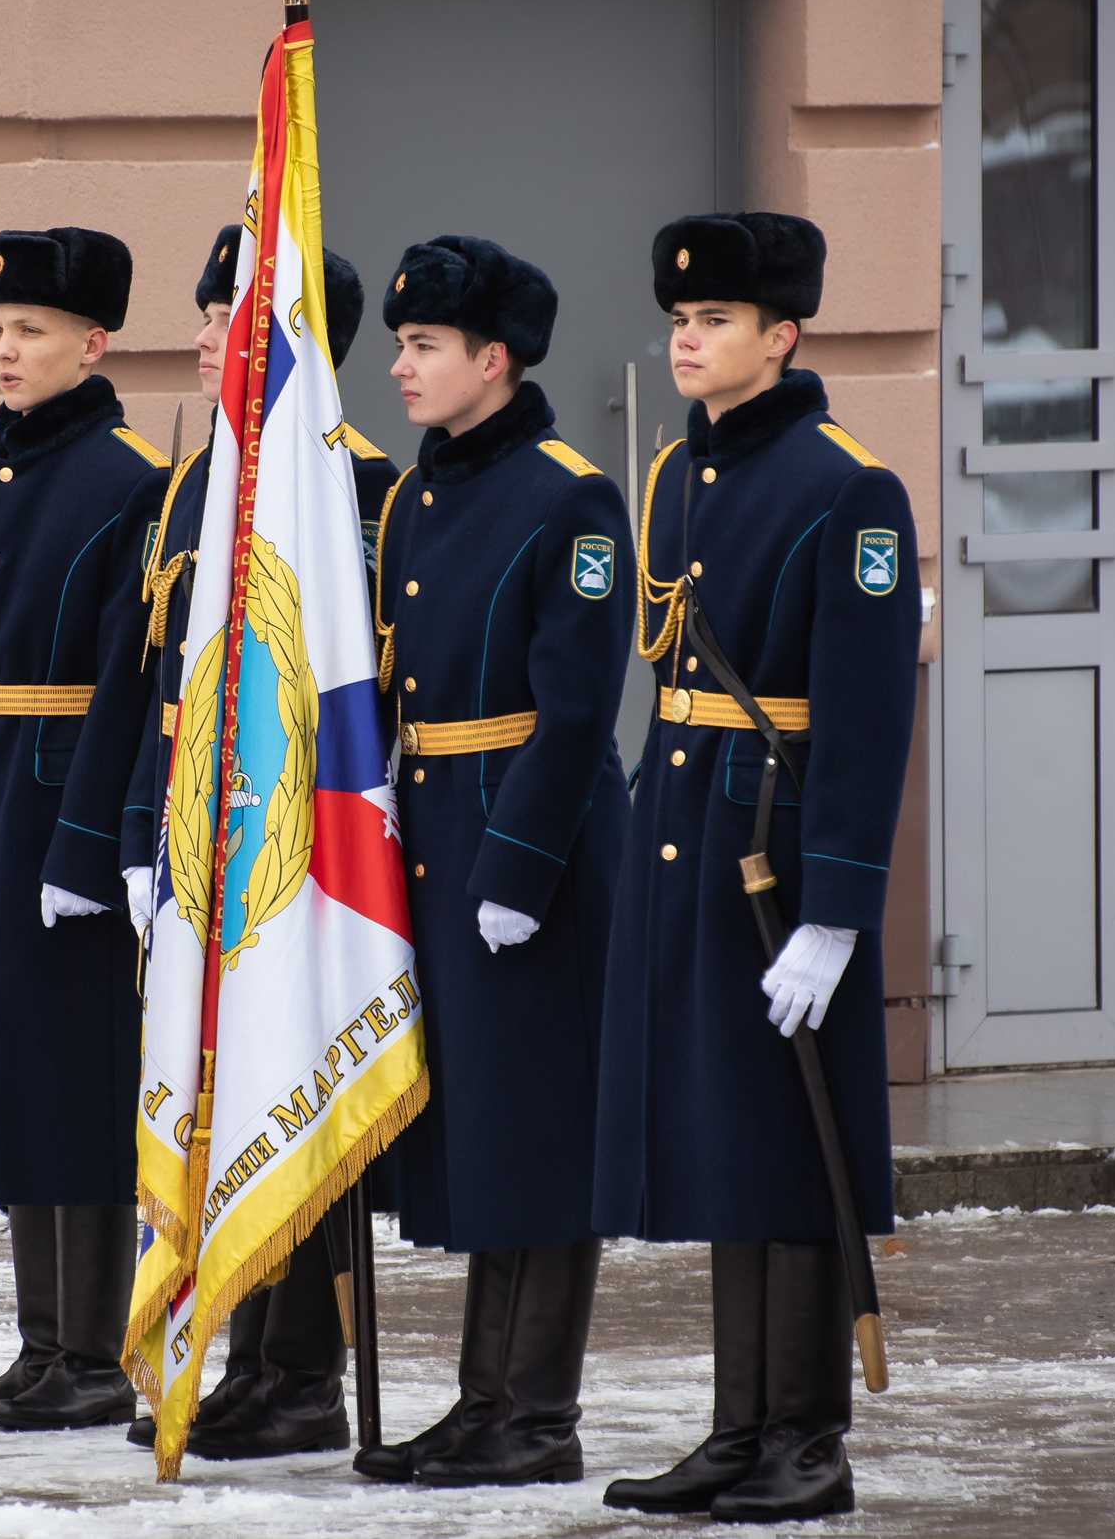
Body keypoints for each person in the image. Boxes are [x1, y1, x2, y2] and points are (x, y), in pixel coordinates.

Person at [593, 212, 919, 1523]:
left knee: (796, 1146)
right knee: (730, 1142)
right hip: (685, 833)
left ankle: (807, 1440)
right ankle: (739, 1427)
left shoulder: (853, 489)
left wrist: (836, 911)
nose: (688, 338)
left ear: (783, 336)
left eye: (716, 320)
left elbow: (867, 716)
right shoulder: (677, 475)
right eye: (680, 319)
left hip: (774, 857)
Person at [346, 234, 633, 1489]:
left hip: (536, 836)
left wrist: (516, 868)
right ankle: (482, 1400)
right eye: (400, 345)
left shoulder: (570, 495)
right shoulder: (416, 492)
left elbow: (575, 710)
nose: (400, 367)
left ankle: (540, 1413)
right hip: (439, 821)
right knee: (480, 1130)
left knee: (538, 1132)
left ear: (494, 361)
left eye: (423, 348)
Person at [115, 224, 397, 1459]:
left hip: (313, 857)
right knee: (225, 1096)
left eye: (226, 311)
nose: (199, 332)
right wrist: (142, 840)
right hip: (206, 845)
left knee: (296, 1092)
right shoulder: (199, 488)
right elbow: (165, 687)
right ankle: (240, 1355)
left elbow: (357, 698)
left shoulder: (366, 487)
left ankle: (301, 1375)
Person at [0, 226, 170, 1433]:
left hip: (60, 800)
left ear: (92, 342)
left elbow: (130, 682)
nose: (6, 352)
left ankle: (96, 1351)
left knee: (73, 1072)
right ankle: (39, 1341)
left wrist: (92, 844)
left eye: (32, 333)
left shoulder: (130, 482)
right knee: (3, 1064)